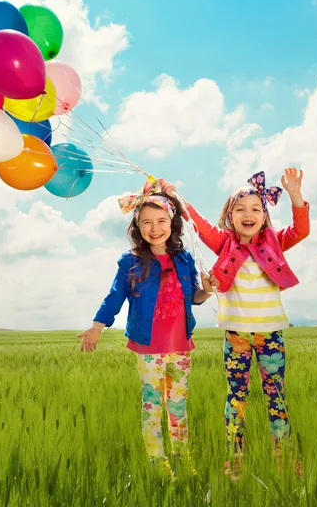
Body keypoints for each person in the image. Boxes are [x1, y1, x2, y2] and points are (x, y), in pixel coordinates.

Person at [161, 168, 309, 478]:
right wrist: (176, 196)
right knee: (236, 398)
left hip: (270, 335)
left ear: (265, 217)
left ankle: (285, 457)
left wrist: (295, 193)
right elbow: (198, 225)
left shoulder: (275, 242)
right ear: (230, 216)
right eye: (239, 209)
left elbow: (300, 230)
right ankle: (235, 458)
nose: (248, 213)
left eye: (256, 208)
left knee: (276, 396)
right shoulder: (225, 243)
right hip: (237, 336)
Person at [78, 175, 218, 477]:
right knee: (152, 408)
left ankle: (183, 459)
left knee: (178, 408)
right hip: (148, 348)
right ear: (137, 228)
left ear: (172, 223)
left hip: (181, 346)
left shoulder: (184, 259)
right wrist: (97, 326)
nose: (155, 228)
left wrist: (207, 290)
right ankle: (157, 463)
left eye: (161, 221)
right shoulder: (130, 262)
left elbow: (194, 297)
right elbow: (115, 295)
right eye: (146, 223)